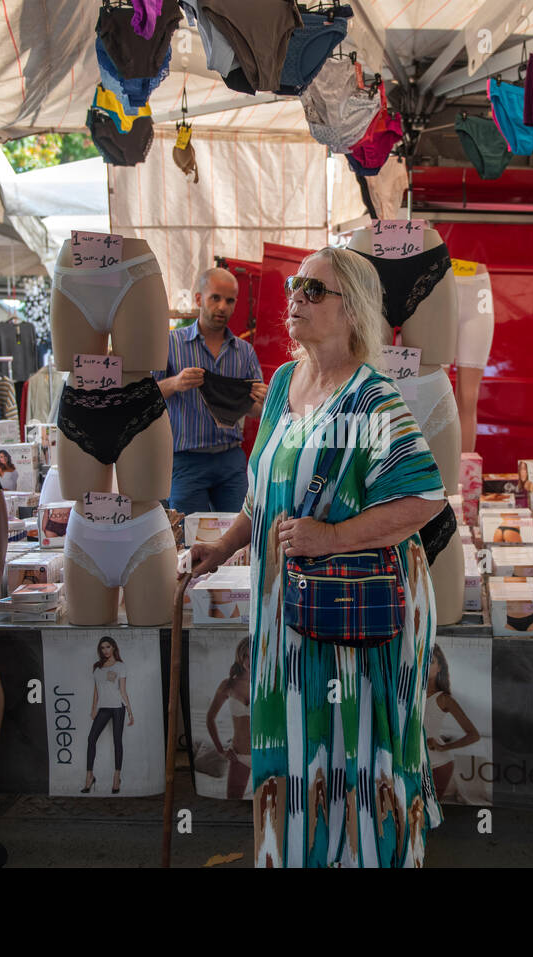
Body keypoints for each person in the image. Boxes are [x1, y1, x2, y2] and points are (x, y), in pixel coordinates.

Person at [189, 247, 446, 868]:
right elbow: (263, 491)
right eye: (295, 287)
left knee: (354, 749)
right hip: (287, 611)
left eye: (312, 290)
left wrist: (331, 537)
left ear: (352, 310)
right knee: (295, 744)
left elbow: (425, 499)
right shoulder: (283, 382)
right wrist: (224, 545)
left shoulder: (373, 399)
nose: (294, 299)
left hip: (356, 613)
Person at [156, 267, 267, 515]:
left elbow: (258, 412)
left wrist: (262, 400)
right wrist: (175, 383)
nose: (222, 307)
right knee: (188, 537)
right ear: (199, 299)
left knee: (238, 536)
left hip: (231, 460)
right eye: (215, 298)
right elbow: (144, 397)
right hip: (186, 461)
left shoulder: (244, 351)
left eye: (229, 301)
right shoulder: (172, 344)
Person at [425, 645, 481, 800]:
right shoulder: (411, 695)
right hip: (413, 762)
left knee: (428, 813)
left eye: (430, 661)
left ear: (439, 667)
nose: (425, 664)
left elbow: (473, 735)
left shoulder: (443, 699)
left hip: (437, 764)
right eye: (422, 659)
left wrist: (444, 747)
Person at [82, 637, 132, 795]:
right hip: (103, 708)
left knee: (117, 741)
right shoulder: (97, 667)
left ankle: (117, 776)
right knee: (91, 739)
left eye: (108, 647)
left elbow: (123, 690)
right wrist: (93, 708)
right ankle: (89, 776)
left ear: (113, 648)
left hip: (118, 707)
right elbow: (96, 690)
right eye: (102, 648)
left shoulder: (120, 666)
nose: (105, 650)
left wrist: (130, 711)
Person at [205, 638, 251, 800]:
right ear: (240, 657)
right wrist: (220, 750)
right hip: (239, 756)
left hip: (265, 754)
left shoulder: (269, 682)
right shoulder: (228, 685)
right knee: (233, 801)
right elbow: (210, 718)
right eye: (246, 656)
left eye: (253, 655)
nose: (249, 660)